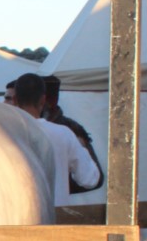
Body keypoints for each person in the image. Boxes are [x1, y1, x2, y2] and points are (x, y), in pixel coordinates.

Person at [11, 73, 101, 207]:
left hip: (13, 220)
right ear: (43, 100)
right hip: (54, 218)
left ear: (14, 99)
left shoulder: (0, 133)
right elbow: (90, 179)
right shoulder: (64, 133)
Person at [41, 75, 104, 194]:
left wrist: (60, 184)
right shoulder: (24, 125)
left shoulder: (71, 128)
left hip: (61, 205)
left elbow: (97, 178)